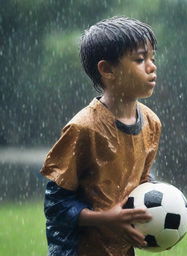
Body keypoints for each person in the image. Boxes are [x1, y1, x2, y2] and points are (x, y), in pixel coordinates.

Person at [40, 16, 162, 256]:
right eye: (139, 59)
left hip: (122, 249)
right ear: (107, 69)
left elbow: (141, 181)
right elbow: (56, 206)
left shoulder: (152, 123)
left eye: (152, 58)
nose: (152, 67)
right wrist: (104, 218)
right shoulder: (83, 128)